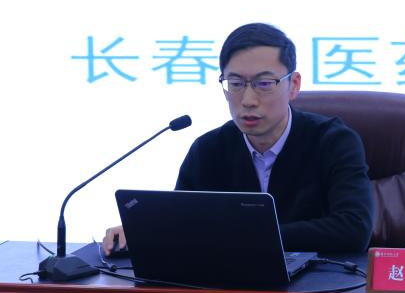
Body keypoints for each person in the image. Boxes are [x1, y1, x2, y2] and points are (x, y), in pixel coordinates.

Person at [103, 22, 374, 253]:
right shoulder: (208, 149)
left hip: (317, 288)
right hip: (229, 287)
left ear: (293, 85)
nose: (248, 100)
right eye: (235, 84)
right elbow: (182, 223)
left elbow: (354, 229)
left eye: (264, 84)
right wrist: (140, 230)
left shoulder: (333, 141)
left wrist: (243, 235)